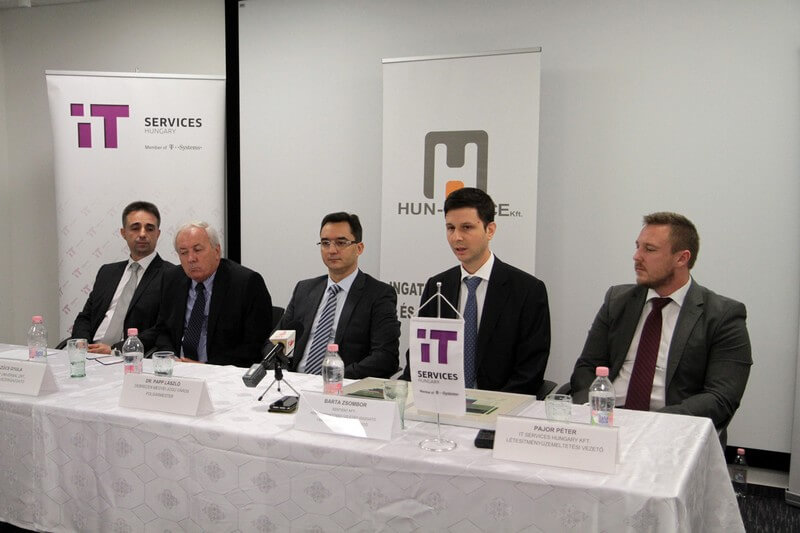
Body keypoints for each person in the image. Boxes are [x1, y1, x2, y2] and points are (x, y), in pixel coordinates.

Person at [570, 212, 752, 438]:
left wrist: (653, 424)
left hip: (671, 430)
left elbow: (721, 397)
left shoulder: (723, 316)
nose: (637, 256)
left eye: (649, 249)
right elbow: (587, 366)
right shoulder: (617, 301)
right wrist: (592, 411)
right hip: (607, 422)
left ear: (682, 258)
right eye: (637, 247)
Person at [401, 187, 551, 395]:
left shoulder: (527, 290)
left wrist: (490, 405)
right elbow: (419, 358)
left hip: (501, 404)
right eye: (450, 228)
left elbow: (530, 371)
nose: (457, 237)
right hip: (441, 402)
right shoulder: (437, 286)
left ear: (490, 230)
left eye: (467, 227)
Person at [276, 212, 400, 379]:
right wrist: (285, 374)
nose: (332, 250)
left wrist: (334, 378)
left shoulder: (378, 294)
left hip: (342, 386)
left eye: (341, 243)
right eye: (325, 243)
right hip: (294, 382)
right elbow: (275, 342)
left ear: (359, 248)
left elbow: (385, 357)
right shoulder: (304, 289)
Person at [154, 221, 272, 367]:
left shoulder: (246, 283)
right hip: (177, 369)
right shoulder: (172, 279)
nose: (191, 258)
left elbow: (253, 346)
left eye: (197, 250)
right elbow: (162, 330)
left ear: (217, 251)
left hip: (221, 372)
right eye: (183, 253)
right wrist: (171, 359)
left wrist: (206, 368)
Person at [70, 201, 172, 354]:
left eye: (149, 228)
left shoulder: (171, 275)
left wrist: (115, 350)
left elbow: (162, 328)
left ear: (158, 233)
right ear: (123, 233)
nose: (142, 234)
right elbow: (85, 317)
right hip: (90, 353)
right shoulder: (107, 272)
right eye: (135, 228)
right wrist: (82, 344)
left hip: (130, 357)